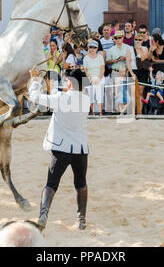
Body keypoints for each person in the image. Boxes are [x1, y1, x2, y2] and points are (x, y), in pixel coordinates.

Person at [28, 68, 90, 230]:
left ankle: (43, 215)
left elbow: (35, 97)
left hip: (61, 148)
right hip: (80, 148)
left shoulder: (62, 97)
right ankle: (81, 220)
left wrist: (35, 80)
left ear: (70, 83)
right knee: (81, 184)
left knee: (51, 184)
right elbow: (67, 93)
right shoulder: (85, 100)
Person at [106, 30, 131, 113]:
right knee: (114, 91)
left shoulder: (128, 47)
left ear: (123, 38)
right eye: (116, 38)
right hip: (115, 71)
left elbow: (132, 59)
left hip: (125, 72)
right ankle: (116, 110)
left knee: (124, 91)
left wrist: (125, 58)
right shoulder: (111, 49)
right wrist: (113, 61)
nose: (118, 39)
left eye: (119, 37)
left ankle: (125, 110)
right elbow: (107, 61)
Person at [83, 40, 105, 115]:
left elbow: (102, 69)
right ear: (88, 48)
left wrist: (99, 78)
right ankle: (92, 113)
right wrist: (91, 78)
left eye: (94, 47)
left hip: (100, 77)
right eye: (91, 47)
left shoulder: (100, 57)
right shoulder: (86, 58)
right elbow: (85, 70)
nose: (92, 49)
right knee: (90, 96)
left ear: (97, 48)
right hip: (89, 78)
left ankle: (100, 112)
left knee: (99, 96)